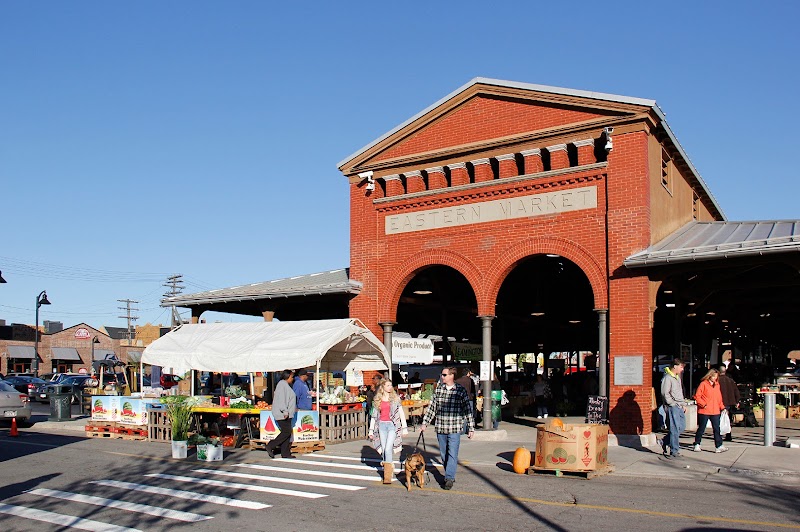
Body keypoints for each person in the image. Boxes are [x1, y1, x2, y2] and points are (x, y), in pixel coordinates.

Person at [420, 366, 474, 490]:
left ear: (451, 376)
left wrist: (471, 428)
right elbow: (432, 408)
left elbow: (467, 409)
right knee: (444, 454)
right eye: (442, 374)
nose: (442, 376)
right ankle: (449, 473)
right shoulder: (439, 389)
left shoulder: (460, 390)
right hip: (441, 427)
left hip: (455, 427)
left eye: (444, 375)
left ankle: (449, 477)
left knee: (452, 453)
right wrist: (425, 423)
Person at [367, 378, 408, 484]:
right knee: (384, 449)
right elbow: (374, 416)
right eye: (388, 385)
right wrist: (371, 431)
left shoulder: (395, 398)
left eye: (391, 385)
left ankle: (387, 476)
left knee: (388, 448)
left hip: (392, 426)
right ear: (383, 387)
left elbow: (401, 413)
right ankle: (388, 468)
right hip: (381, 425)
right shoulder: (377, 399)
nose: (390, 387)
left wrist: (404, 428)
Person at [693, 368, 727, 453]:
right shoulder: (703, 384)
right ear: (709, 376)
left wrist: (722, 407)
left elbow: (719, 398)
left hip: (715, 410)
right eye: (714, 376)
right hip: (704, 410)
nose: (715, 378)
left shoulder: (717, 385)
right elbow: (697, 396)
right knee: (702, 428)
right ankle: (697, 443)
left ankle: (718, 445)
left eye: (716, 376)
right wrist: (703, 404)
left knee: (717, 429)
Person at [660, 358, 688, 459]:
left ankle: (664, 441)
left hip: (679, 405)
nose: (682, 369)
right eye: (681, 367)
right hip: (673, 406)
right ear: (675, 366)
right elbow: (665, 393)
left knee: (682, 426)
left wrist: (683, 404)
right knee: (674, 428)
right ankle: (674, 450)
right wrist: (671, 403)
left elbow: (679, 392)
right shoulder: (668, 378)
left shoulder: (677, 377)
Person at [266, 370, 297, 459]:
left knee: (287, 433)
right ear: (287, 376)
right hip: (282, 413)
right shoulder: (282, 385)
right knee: (286, 432)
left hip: (287, 413)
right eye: (291, 377)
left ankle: (285, 453)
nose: (292, 379)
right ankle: (271, 445)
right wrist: (285, 411)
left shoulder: (285, 385)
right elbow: (281, 400)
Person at [717, 365, 740, 442]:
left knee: (719, 419)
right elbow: (736, 391)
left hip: (720, 402)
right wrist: (737, 401)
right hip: (729, 402)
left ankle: (719, 434)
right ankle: (728, 434)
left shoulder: (717, 381)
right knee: (727, 419)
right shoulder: (730, 380)